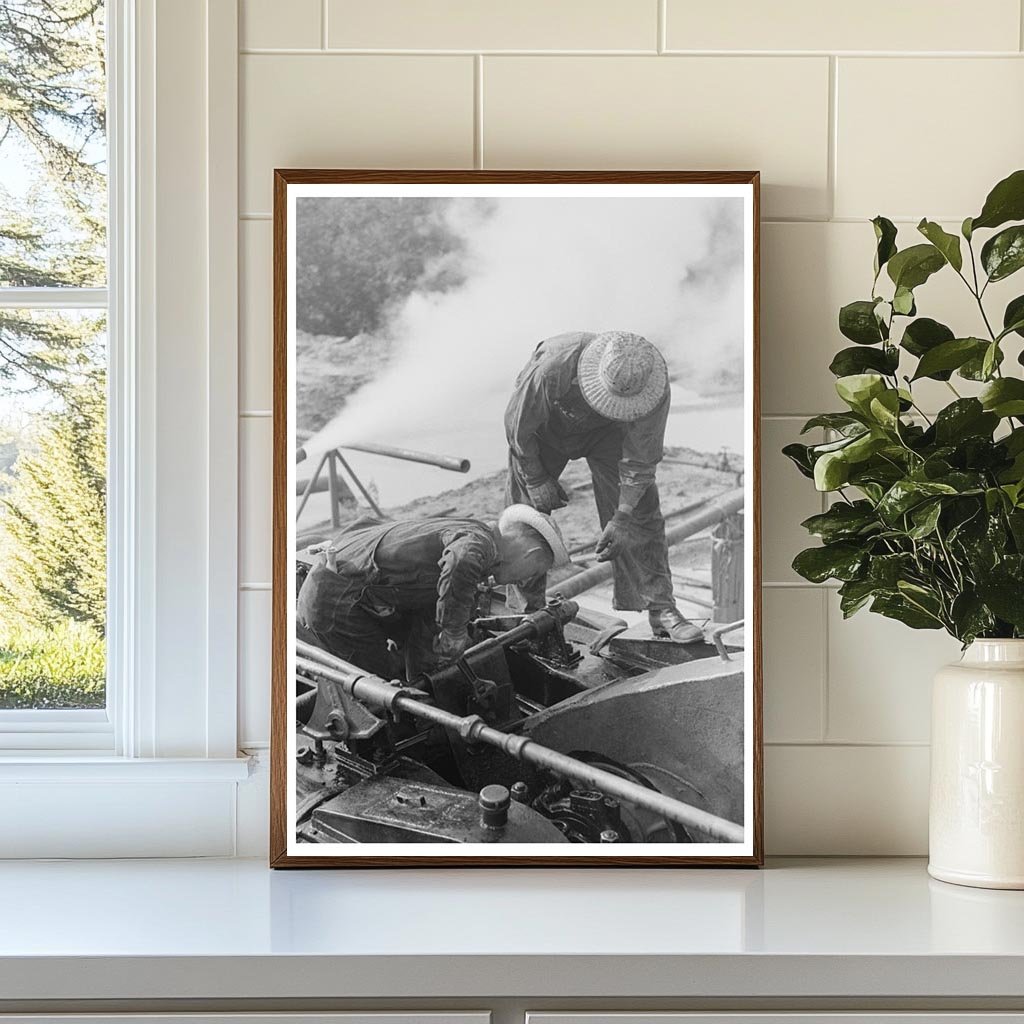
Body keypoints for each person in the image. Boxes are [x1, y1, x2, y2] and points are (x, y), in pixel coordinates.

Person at [504, 330, 702, 644]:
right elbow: (518, 428)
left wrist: (621, 518)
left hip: (609, 433)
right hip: (546, 431)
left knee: (642, 513)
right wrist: (536, 478)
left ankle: (661, 608)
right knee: (525, 517)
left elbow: (641, 460)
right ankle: (529, 615)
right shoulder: (552, 369)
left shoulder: (652, 384)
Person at [296, 505, 569, 681]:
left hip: (347, 594)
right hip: (335, 601)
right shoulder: (479, 543)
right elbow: (461, 563)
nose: (526, 580)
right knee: (375, 688)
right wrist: (453, 632)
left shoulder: (465, 535)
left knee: (401, 676)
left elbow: (430, 614)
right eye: (534, 572)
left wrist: (431, 665)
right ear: (531, 554)